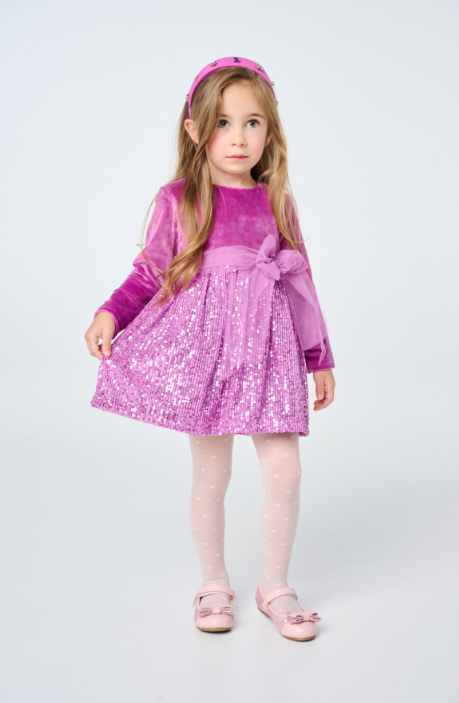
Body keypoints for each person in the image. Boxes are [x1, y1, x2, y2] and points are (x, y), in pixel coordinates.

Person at [84, 56, 336, 642]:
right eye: (223, 123)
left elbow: (301, 281)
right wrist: (111, 312)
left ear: (269, 131)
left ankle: (275, 586)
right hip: (208, 356)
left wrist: (318, 356)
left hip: (270, 353)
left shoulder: (276, 201)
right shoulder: (180, 198)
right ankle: (214, 581)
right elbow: (150, 273)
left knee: (285, 472)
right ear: (195, 129)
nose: (238, 138)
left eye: (252, 123)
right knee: (212, 474)